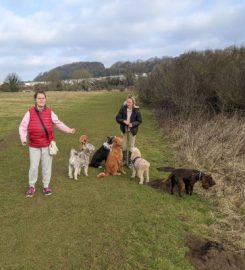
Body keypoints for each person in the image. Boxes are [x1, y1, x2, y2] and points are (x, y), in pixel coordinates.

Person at [19, 90, 76, 197]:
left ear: (45, 99)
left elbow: (58, 123)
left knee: (46, 166)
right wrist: (23, 138)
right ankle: (31, 187)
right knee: (34, 167)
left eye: (43, 98)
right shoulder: (29, 112)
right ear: (35, 100)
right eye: (39, 98)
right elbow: (23, 126)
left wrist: (69, 130)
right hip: (34, 146)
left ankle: (46, 186)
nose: (41, 100)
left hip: (47, 144)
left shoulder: (50, 112)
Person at [116, 95, 142, 167]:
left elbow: (139, 121)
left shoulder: (137, 110)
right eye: (127, 102)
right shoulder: (122, 108)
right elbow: (117, 118)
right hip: (124, 130)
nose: (128, 104)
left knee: (131, 146)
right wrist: (124, 121)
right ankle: (124, 161)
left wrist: (132, 124)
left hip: (132, 131)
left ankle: (130, 162)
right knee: (123, 146)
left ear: (133, 103)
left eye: (130, 102)